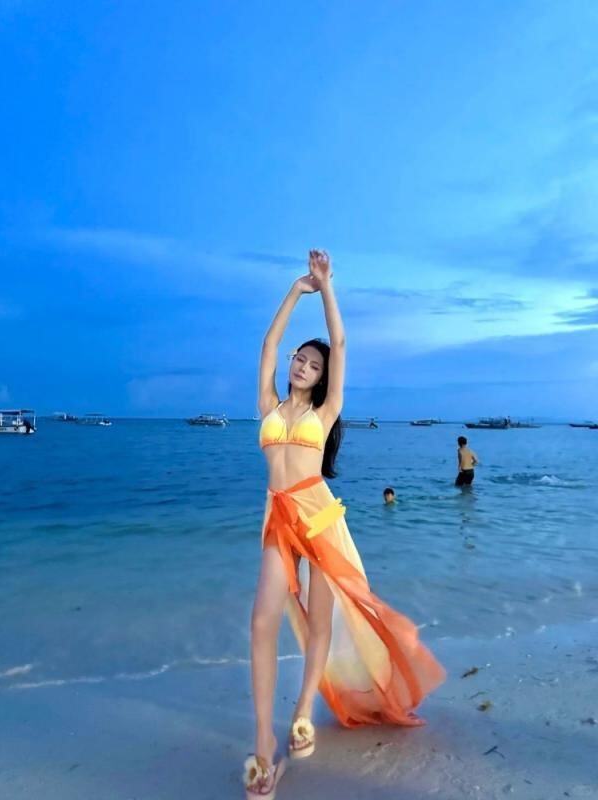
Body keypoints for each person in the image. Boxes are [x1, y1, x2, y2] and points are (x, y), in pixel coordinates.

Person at [244, 249, 446, 799]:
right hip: (278, 516)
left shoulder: (324, 412)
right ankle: (263, 743)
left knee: (321, 618)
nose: (302, 366)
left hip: (320, 514)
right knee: (262, 623)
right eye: (300, 359)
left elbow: (342, 342)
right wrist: (296, 290)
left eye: (313, 364)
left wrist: (327, 287)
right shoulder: (268, 406)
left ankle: (303, 713)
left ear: (323, 377)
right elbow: (266, 345)